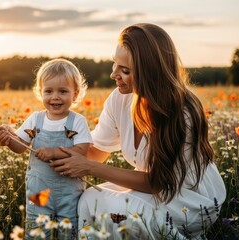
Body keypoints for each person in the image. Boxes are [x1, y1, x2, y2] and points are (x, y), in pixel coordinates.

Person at [50, 23, 226, 239]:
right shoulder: (119, 99)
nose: (114, 74)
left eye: (125, 71)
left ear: (150, 73)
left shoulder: (183, 112)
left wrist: (88, 168)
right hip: (155, 192)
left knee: (123, 212)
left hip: (188, 199)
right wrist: (42, 143)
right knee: (89, 199)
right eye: (115, 64)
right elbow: (96, 151)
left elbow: (157, 183)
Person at [0, 58, 93, 239]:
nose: (55, 97)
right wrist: (8, 138)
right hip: (38, 189)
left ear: (75, 94)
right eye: (49, 91)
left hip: (69, 191)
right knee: (37, 231)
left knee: (69, 231)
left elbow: (82, 150)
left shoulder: (77, 121)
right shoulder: (35, 119)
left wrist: (54, 152)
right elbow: (19, 146)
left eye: (63, 91)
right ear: (40, 92)